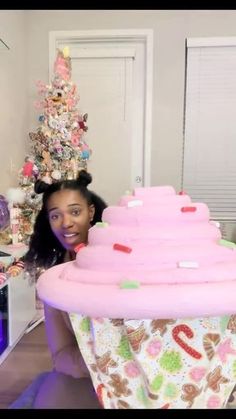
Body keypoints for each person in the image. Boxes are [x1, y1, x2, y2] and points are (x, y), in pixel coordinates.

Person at [23, 170, 107, 409]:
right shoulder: (55, 276)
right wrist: (96, 365)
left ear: (91, 212)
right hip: (83, 369)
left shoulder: (115, 260)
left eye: (75, 211)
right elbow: (60, 355)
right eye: (55, 216)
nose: (66, 222)